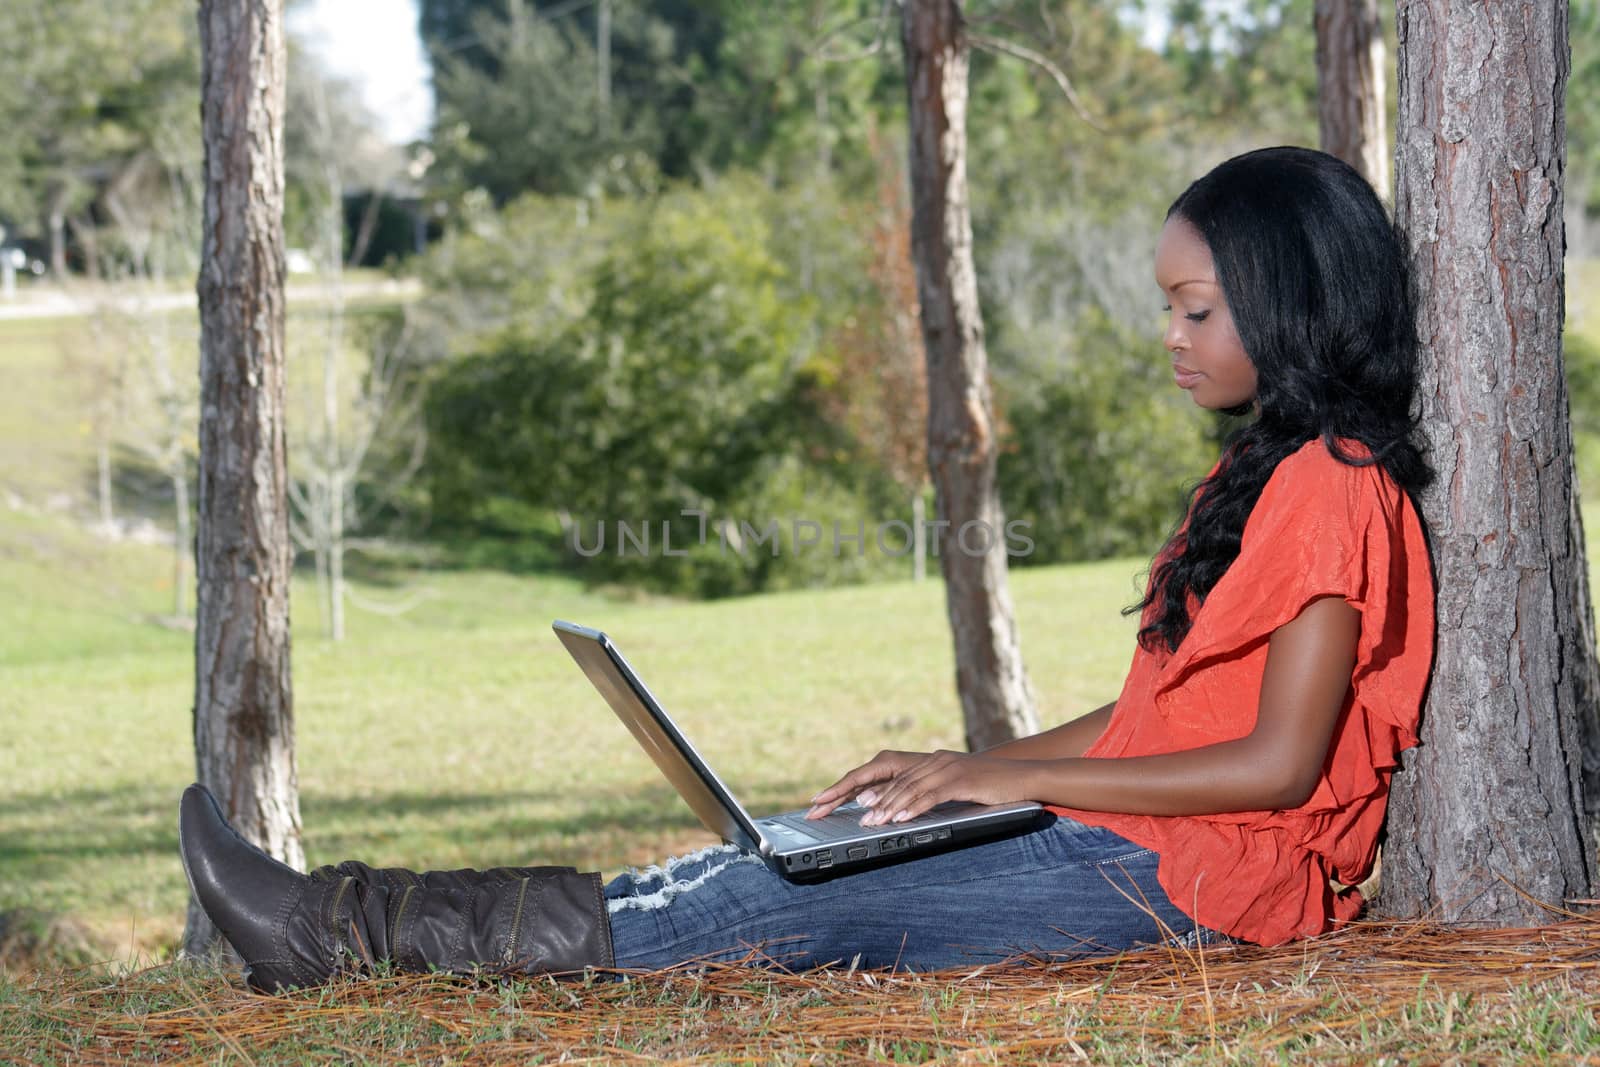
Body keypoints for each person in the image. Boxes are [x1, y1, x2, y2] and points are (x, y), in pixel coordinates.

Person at [179, 145, 1435, 993]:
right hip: (1133, 835)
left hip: (1204, 879)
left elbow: (1276, 760)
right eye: (1168, 305)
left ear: (1288, 299)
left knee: (784, 906)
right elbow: (1166, 709)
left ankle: (335, 931)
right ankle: (346, 915)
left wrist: (1003, 776)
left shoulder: (1332, 480)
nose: (1168, 337)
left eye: (1195, 310)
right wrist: (975, 768)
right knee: (795, 845)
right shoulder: (1259, 471)